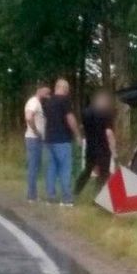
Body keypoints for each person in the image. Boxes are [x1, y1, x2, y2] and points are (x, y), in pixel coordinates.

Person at [41, 78, 80, 206]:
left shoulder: (47, 101)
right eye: (67, 89)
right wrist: (77, 134)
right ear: (63, 88)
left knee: (51, 169)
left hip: (49, 140)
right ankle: (66, 199)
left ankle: (50, 197)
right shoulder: (65, 101)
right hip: (62, 139)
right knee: (65, 169)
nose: (68, 92)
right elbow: (70, 119)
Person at [75, 90, 117, 197]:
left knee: (87, 171)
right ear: (104, 101)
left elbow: (82, 127)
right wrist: (114, 150)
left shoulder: (86, 112)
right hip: (103, 148)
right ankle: (98, 197)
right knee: (103, 174)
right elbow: (108, 133)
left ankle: (75, 192)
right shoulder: (107, 114)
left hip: (90, 147)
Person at [23, 81, 50, 201]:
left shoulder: (38, 103)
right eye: (46, 92)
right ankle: (31, 195)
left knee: (35, 166)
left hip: (36, 139)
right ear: (39, 90)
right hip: (34, 139)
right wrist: (36, 131)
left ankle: (33, 194)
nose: (48, 95)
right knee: (33, 166)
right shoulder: (33, 102)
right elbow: (29, 117)